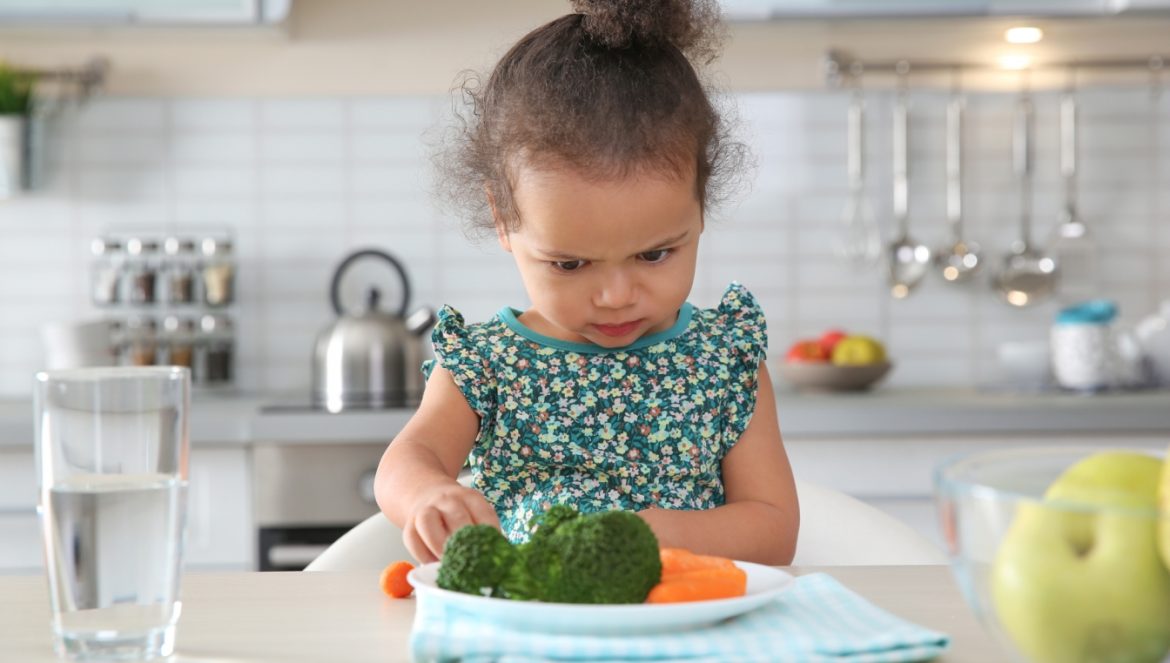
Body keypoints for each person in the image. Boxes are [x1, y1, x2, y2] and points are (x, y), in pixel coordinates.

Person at [375, 0, 799, 566]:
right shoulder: (486, 364)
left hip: (685, 616)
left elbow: (774, 530)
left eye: (654, 254)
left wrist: (652, 537)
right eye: (570, 265)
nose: (616, 296)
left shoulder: (725, 362)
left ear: (700, 207)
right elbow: (405, 462)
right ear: (503, 219)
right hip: (531, 617)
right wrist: (429, 495)